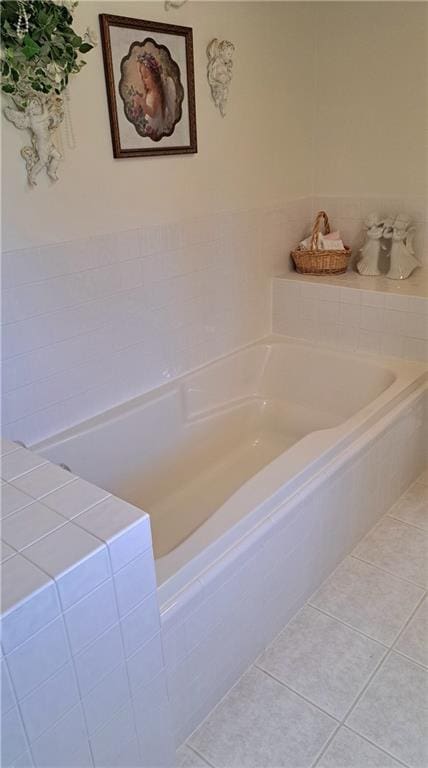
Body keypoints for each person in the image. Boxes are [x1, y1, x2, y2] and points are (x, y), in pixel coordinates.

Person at [136, 52, 176, 140]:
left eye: (146, 77)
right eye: (142, 77)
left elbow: (153, 113)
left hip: (154, 124)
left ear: (154, 76)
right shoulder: (149, 92)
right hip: (149, 123)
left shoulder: (155, 93)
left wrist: (143, 104)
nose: (143, 80)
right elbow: (146, 111)